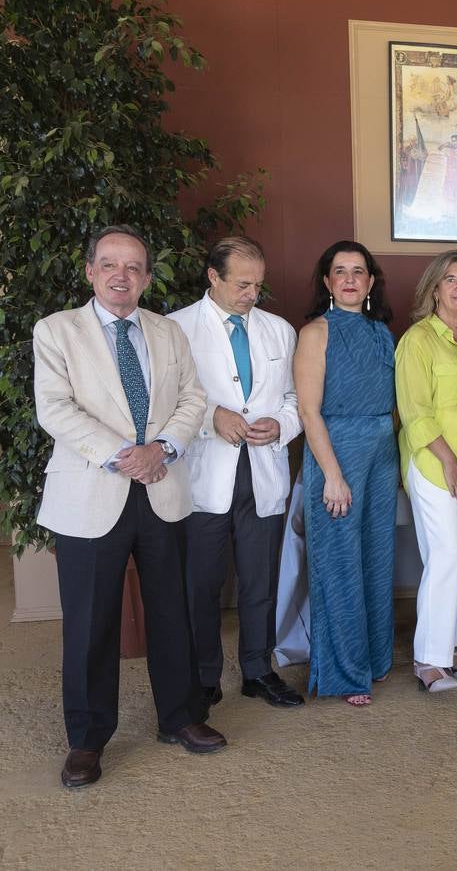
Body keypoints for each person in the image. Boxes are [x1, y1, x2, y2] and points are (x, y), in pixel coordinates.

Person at [33, 224, 223, 789]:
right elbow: (55, 409)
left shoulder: (168, 332)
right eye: (110, 265)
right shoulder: (57, 330)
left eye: (134, 266)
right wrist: (127, 455)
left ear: (146, 277)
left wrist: (160, 449)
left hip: (163, 486)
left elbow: (193, 399)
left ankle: (180, 716)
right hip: (92, 490)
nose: (122, 275)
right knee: (90, 622)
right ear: (90, 272)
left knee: (172, 612)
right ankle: (87, 739)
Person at [169, 236, 304, 711]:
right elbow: (166, 401)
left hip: (263, 471)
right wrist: (212, 418)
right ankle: (204, 676)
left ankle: (258, 670)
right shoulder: (176, 327)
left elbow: (295, 398)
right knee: (201, 584)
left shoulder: (279, 330)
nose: (252, 294)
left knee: (260, 581)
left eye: (258, 285)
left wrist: (282, 424)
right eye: (242, 285)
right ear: (213, 276)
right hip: (204, 475)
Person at [293, 240, 398, 706]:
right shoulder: (315, 332)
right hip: (336, 454)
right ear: (327, 281)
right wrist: (333, 475)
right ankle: (345, 672)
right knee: (339, 562)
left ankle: (374, 658)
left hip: (382, 454)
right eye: (341, 271)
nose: (350, 279)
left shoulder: (383, 332)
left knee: (376, 557)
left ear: (371, 282)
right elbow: (308, 411)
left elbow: (392, 403)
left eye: (359, 271)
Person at [396, 250, 457, 693]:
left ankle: (450, 649)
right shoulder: (417, 339)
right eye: (451, 279)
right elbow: (414, 411)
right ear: (434, 288)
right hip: (435, 463)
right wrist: (448, 460)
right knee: (446, 554)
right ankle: (427, 660)